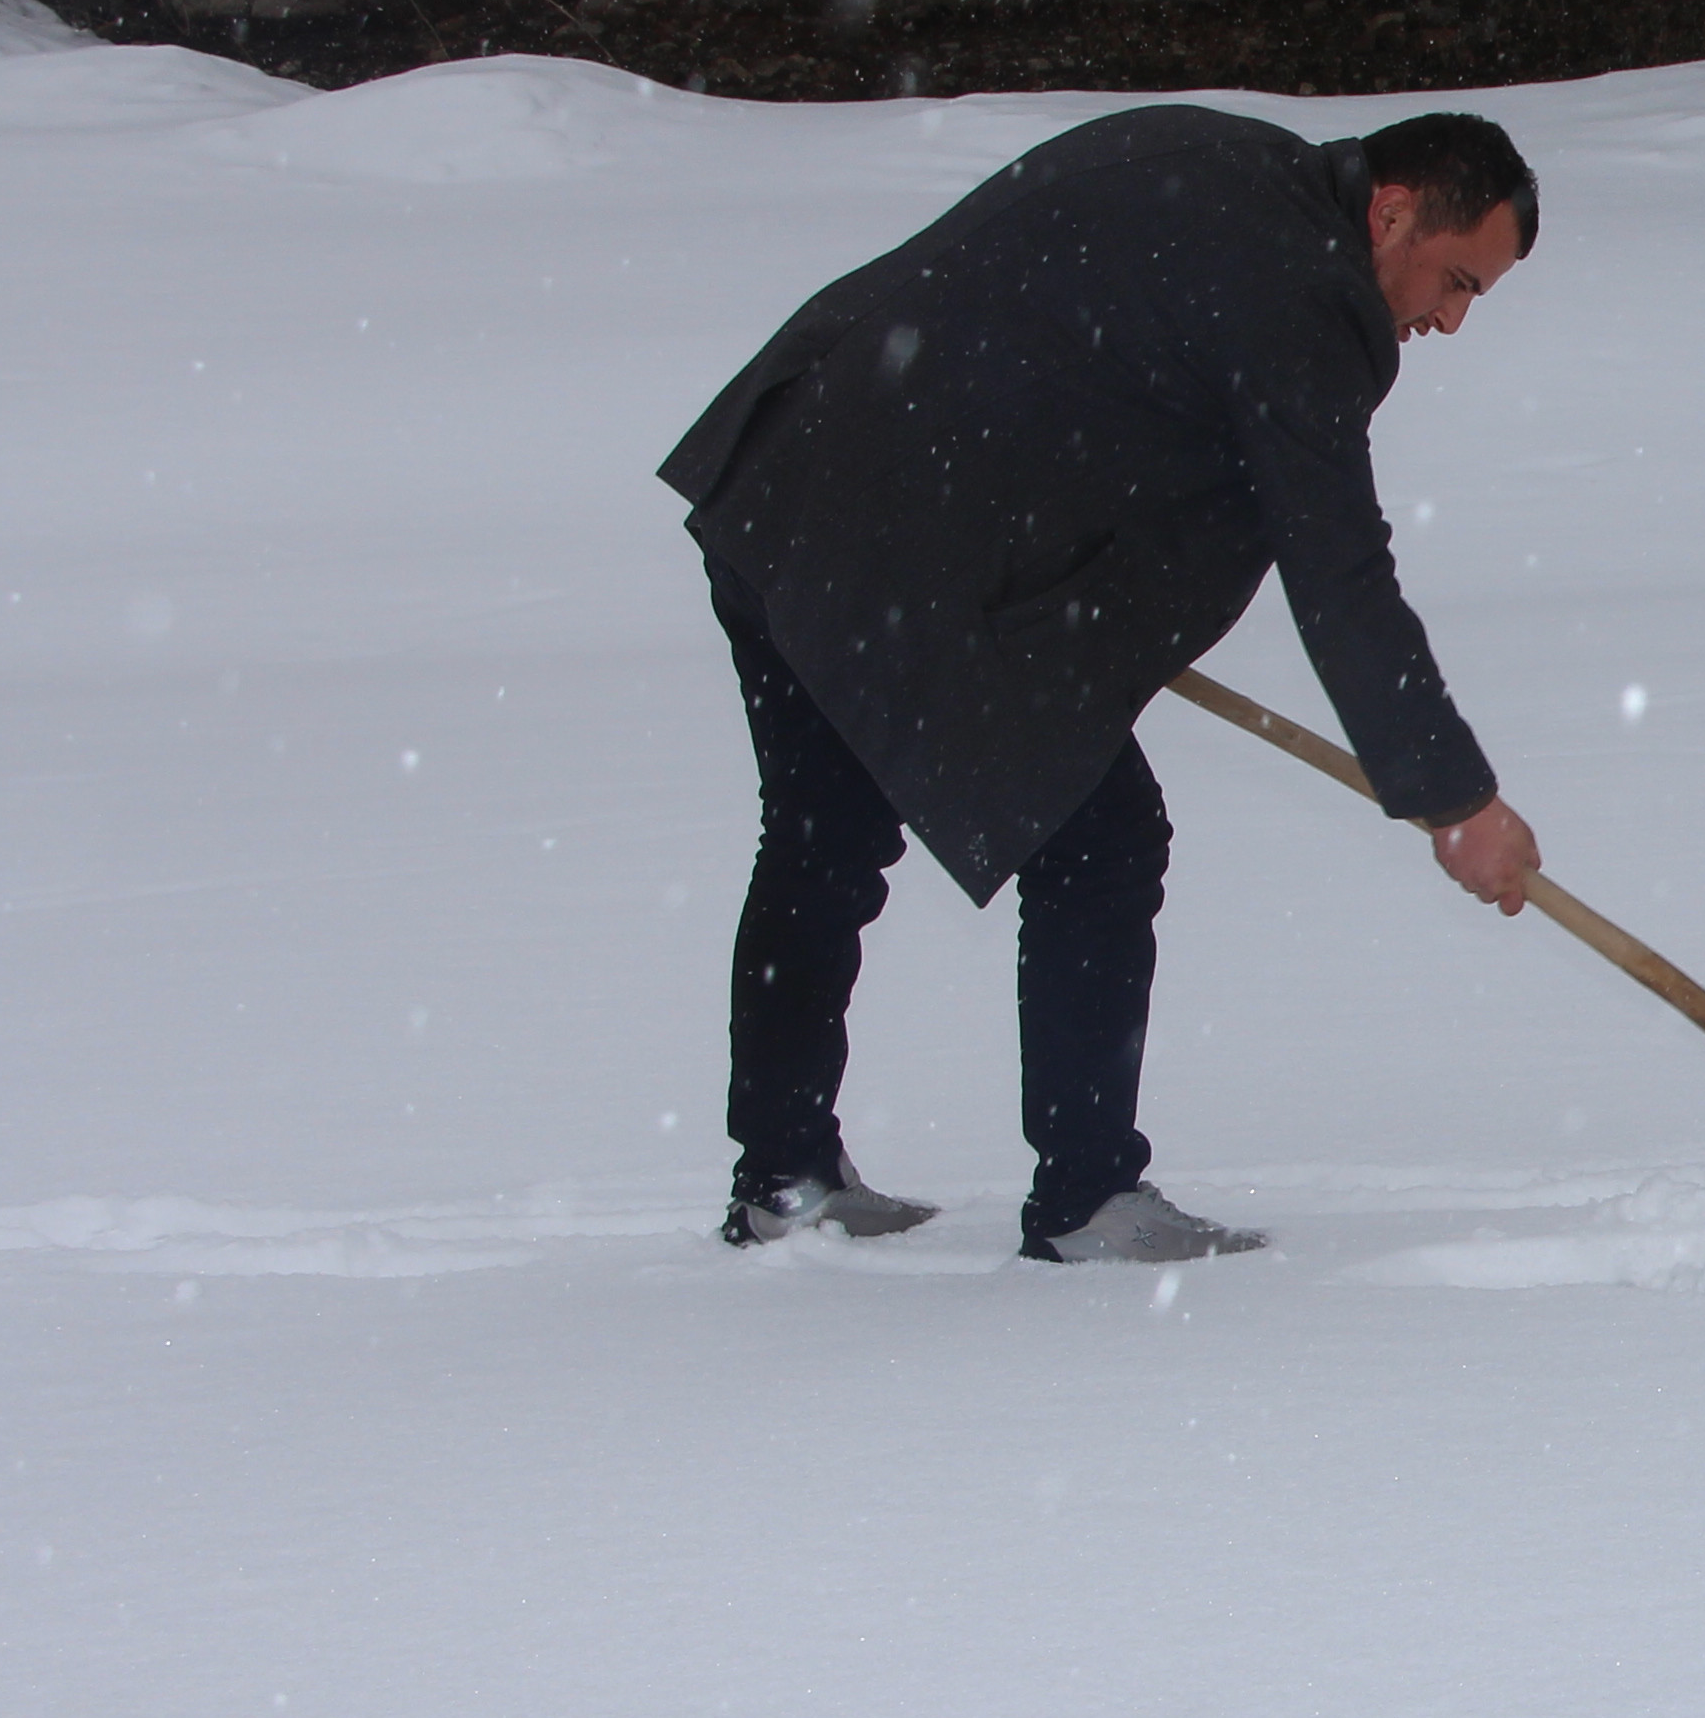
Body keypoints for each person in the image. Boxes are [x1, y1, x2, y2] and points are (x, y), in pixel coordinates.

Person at [658, 103, 1546, 1263]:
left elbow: (1076, 353)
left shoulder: (1221, 162)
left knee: (824, 839)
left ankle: (782, 1174)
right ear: (1391, 212)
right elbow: (1339, 573)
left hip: (793, 474)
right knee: (1102, 842)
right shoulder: (1298, 294)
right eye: (1459, 279)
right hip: (905, 548)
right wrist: (1456, 801)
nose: (1451, 319)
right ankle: (1084, 1197)